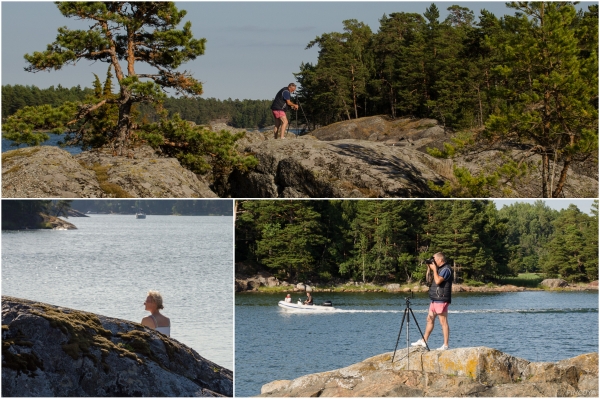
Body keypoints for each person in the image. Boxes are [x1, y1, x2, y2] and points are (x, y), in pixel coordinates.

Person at [411, 252, 452, 350]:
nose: (433, 261)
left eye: (434, 259)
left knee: (443, 321)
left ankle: (445, 345)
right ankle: (424, 341)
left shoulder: (446, 269)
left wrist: (434, 269)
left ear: (440, 260)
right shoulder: (438, 269)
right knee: (429, 319)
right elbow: (429, 280)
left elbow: (438, 281)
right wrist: (429, 269)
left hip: (441, 299)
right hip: (435, 298)